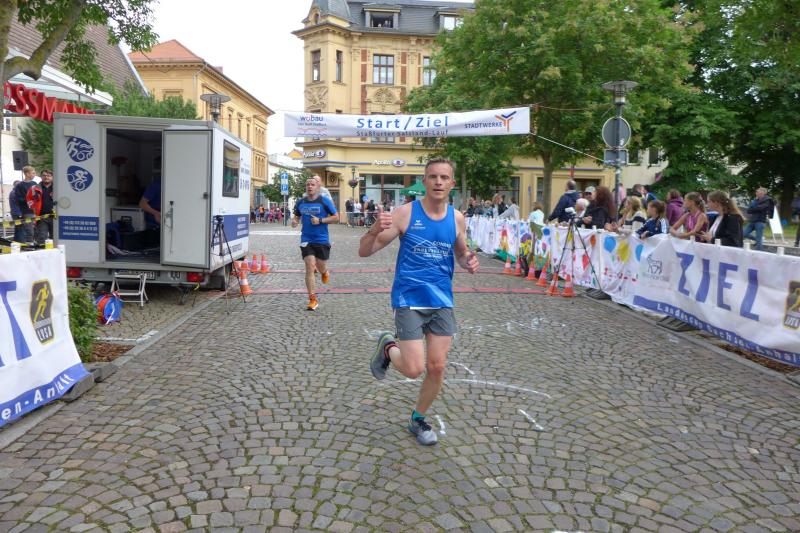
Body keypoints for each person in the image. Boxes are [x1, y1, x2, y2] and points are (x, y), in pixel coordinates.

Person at [360, 157, 479, 446]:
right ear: (424, 181)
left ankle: (418, 418)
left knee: (437, 367)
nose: (438, 182)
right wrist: (374, 229)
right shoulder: (405, 214)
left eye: (444, 177)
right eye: (433, 176)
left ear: (452, 183)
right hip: (409, 298)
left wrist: (468, 260)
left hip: (442, 300)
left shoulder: (457, 218)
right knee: (414, 369)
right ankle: (388, 347)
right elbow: (365, 251)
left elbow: (461, 252)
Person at [291, 176, 338, 310]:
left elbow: (336, 217)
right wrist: (294, 221)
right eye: (308, 184)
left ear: (318, 187)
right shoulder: (301, 202)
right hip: (306, 239)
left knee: (320, 266)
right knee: (310, 266)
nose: (310, 186)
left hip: (321, 239)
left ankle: (325, 272)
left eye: (312, 184)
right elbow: (296, 216)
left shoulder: (324, 201)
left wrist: (321, 220)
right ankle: (312, 299)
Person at [11, 166, 37, 243]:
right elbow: (18, 199)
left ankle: (34, 244)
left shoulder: (34, 183)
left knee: (36, 230)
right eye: (33, 173)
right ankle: (29, 245)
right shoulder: (20, 185)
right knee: (29, 231)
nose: (34, 174)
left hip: (37, 211)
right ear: (27, 174)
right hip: (27, 211)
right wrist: (29, 200)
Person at [32, 169, 54, 242]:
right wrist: (33, 208)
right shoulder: (35, 188)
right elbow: (29, 199)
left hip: (55, 217)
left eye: (48, 175)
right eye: (44, 175)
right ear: (41, 177)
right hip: (41, 217)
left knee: (55, 238)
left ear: (52, 177)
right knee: (42, 237)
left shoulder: (58, 188)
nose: (46, 177)